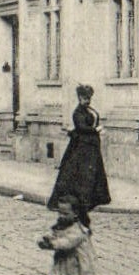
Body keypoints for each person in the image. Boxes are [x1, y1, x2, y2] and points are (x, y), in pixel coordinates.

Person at [48, 85, 111, 214]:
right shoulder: (77, 113)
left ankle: (94, 198)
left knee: (93, 172)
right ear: (79, 98)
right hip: (81, 146)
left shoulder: (89, 110)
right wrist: (96, 130)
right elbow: (81, 127)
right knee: (77, 172)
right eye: (85, 98)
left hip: (91, 145)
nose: (87, 101)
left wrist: (96, 128)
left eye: (89, 98)